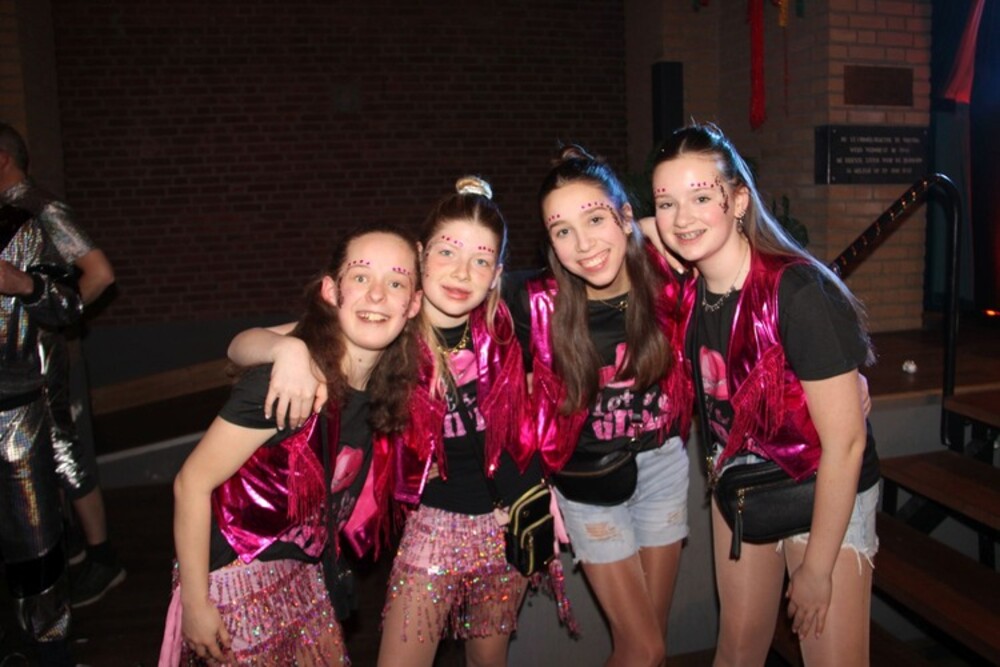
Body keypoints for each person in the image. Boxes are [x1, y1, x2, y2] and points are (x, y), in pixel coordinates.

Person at [651, 122, 879, 666]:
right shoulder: (687, 294)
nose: (681, 218)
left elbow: (846, 444)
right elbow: (615, 238)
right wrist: (664, 216)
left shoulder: (796, 291)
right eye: (665, 203)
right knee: (736, 652)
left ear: (738, 201)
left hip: (822, 485)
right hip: (740, 483)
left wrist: (817, 569)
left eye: (701, 197)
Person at [159, 225, 423, 665]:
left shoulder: (385, 385)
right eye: (360, 277)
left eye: (396, 283)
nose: (377, 294)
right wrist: (195, 603)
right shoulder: (289, 384)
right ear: (331, 291)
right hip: (235, 583)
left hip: (306, 582)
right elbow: (191, 483)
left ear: (412, 304)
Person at [510, 145, 692, 667]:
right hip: (588, 482)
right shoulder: (536, 303)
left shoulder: (670, 277)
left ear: (625, 216)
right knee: (647, 649)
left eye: (595, 219)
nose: (584, 244)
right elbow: (436, 305)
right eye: (562, 231)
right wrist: (298, 345)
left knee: (649, 644)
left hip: (663, 463)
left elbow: (750, 267)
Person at [0, 122, 122, 609]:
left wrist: (55, 319)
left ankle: (103, 557)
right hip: (26, 360)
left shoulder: (39, 206)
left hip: (39, 359)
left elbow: (100, 273)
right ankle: (65, 547)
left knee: (63, 448)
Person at [0, 123, 84, 666]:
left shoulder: (24, 226)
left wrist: (24, 285)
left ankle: (49, 652)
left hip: (15, 415)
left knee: (36, 545)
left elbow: (71, 304)